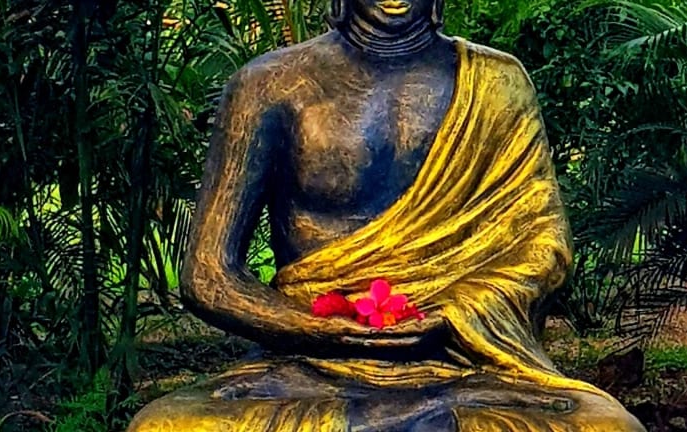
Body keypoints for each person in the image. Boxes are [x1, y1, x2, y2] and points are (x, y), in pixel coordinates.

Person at [128, 1, 645, 430]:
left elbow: (543, 246)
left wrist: (452, 316)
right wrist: (314, 329)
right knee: (167, 425)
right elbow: (208, 275)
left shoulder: (497, 84)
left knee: (607, 426)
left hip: (459, 365)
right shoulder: (270, 85)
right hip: (307, 366)